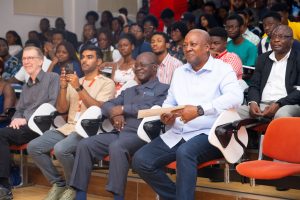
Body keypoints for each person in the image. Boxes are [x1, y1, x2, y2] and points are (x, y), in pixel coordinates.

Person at [132, 29, 243, 200]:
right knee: (141, 160)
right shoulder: (180, 72)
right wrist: (167, 114)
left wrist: (199, 110)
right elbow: (170, 101)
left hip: (209, 133)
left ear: (207, 47)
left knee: (185, 153)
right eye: (185, 45)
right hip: (178, 132)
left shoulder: (222, 70)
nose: (187, 48)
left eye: (193, 44)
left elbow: (236, 98)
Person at [69, 52, 169, 200]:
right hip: (119, 132)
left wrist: (123, 109)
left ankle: (118, 197)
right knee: (85, 144)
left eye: (143, 65)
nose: (138, 68)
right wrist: (115, 114)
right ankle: (80, 195)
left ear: (154, 67)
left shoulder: (163, 89)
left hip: (142, 134)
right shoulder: (129, 90)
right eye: (136, 66)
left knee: (118, 146)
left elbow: (153, 106)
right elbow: (108, 104)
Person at [27, 45, 115, 200]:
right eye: (83, 57)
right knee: (34, 147)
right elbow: (61, 109)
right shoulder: (76, 80)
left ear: (99, 61)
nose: (84, 60)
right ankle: (59, 184)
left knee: (62, 149)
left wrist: (78, 87)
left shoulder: (107, 83)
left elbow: (99, 108)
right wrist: (62, 88)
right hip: (69, 127)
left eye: (90, 57)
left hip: (89, 129)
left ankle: (73, 186)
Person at [0, 46, 60, 199]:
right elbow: (19, 110)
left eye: (30, 58)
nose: (26, 62)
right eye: (24, 59)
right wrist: (15, 121)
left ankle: (4, 186)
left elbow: (52, 105)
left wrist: (26, 119)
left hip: (42, 125)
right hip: (25, 127)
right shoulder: (26, 86)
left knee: (1, 135)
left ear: (40, 61)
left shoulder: (52, 78)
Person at [238, 25, 300, 119]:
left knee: (281, 115)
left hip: (288, 104)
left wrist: (279, 103)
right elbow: (254, 85)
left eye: (281, 37)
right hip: (262, 104)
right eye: (273, 37)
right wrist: (253, 103)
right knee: (237, 112)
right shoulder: (262, 59)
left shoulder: (297, 59)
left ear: (291, 41)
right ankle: (252, 134)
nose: (276, 40)